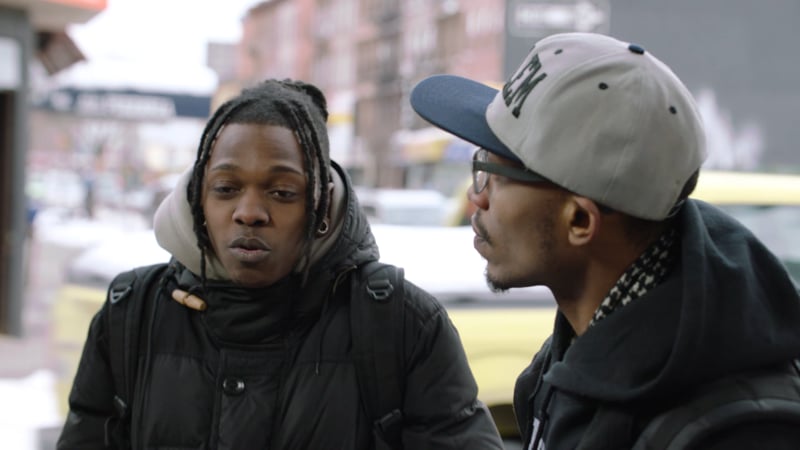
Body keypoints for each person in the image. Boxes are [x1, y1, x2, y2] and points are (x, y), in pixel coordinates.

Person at [57, 79, 504, 449]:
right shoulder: (131, 313)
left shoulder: (404, 325)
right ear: (197, 199)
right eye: (226, 188)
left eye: (282, 192)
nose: (249, 212)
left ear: (322, 206)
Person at [409, 32, 800, 449]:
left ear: (579, 220)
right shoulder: (581, 348)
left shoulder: (735, 431)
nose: (476, 197)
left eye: (493, 174)